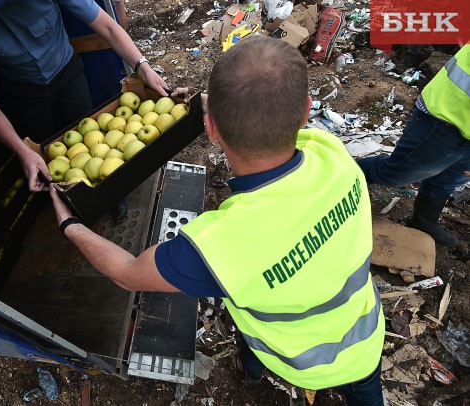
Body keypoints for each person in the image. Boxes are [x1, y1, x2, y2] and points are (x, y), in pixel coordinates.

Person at [50, 36, 385, 404]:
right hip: (365, 342)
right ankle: (255, 367)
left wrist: (71, 224)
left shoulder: (220, 247)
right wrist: (208, 107)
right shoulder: (332, 153)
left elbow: (127, 273)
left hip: (297, 360)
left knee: (250, 316)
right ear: (306, 112)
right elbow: (273, 117)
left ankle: (253, 371)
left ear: (211, 130)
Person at [0, 0, 174, 192]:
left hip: (68, 73)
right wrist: (22, 150)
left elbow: (107, 26)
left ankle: (112, 193)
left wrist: (143, 67)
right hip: (24, 91)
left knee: (92, 131)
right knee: (46, 154)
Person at [359, 45, 469, 248]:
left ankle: (424, 221)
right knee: (396, 173)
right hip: (445, 118)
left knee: (447, 180)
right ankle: (345, 180)